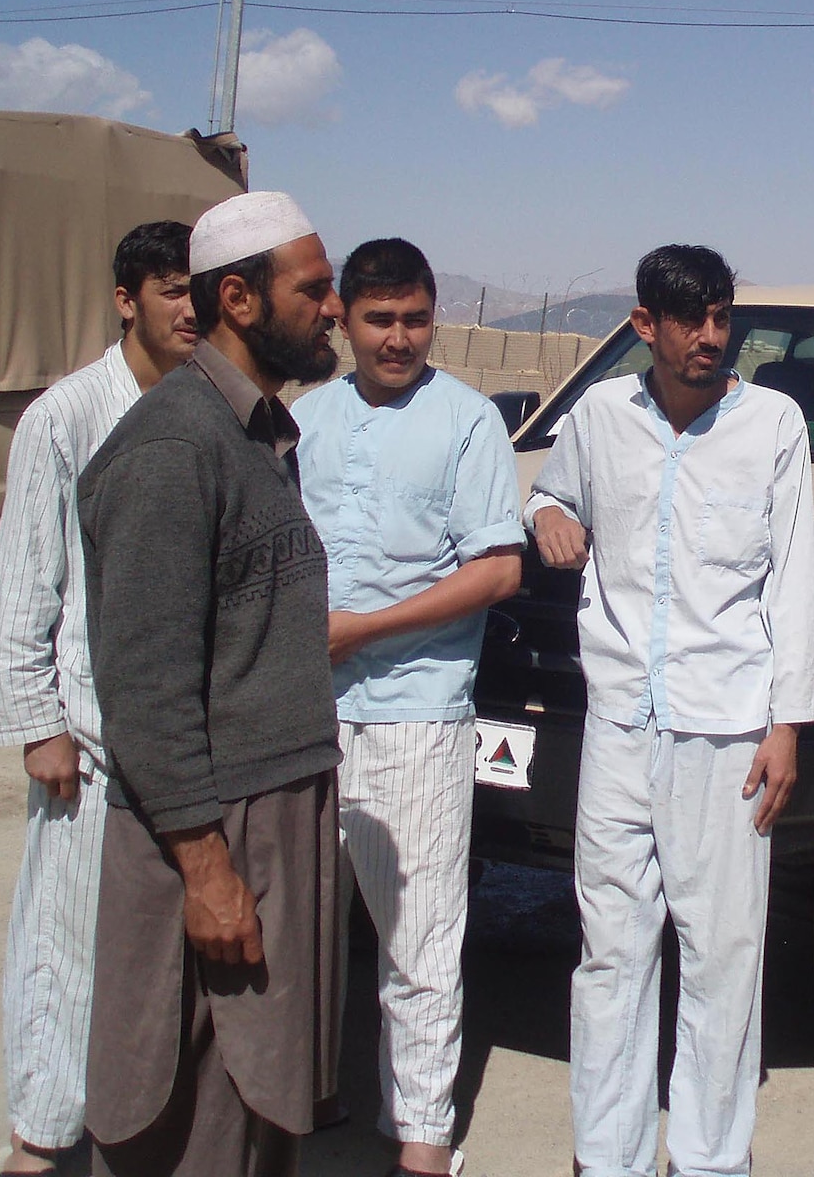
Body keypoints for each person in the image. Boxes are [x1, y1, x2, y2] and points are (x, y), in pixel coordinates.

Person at [528, 244, 814, 1177]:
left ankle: (708, 1157)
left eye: (720, 316)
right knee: (611, 953)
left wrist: (786, 725)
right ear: (643, 326)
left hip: (727, 728)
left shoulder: (772, 424)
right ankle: (607, 1156)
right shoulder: (599, 418)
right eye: (688, 319)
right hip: (620, 722)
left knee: (723, 954)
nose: (709, 336)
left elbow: (792, 579)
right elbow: (552, 488)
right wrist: (545, 510)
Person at [77, 191, 346, 1177]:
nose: (333, 308)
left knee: (258, 1108)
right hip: (213, 832)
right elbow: (143, 687)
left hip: (268, 818)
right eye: (313, 288)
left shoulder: (256, 434)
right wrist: (207, 866)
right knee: (188, 1112)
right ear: (238, 296)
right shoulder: (170, 449)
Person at [290, 238, 525, 1177]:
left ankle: (422, 1138)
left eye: (415, 320)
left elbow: (499, 569)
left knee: (420, 935)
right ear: (341, 317)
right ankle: (293, 1101)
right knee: (294, 930)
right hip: (301, 710)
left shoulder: (467, 422)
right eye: (378, 320)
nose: (398, 340)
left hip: (416, 713)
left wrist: (364, 631)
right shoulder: (304, 418)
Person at [0, 220, 197, 1177]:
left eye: (203, 290)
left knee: (156, 954)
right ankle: (40, 1135)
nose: (190, 309)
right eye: (170, 290)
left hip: (182, 740)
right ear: (127, 300)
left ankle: (140, 1121)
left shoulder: (207, 409)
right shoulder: (66, 416)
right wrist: (38, 724)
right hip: (87, 732)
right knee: (63, 943)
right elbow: (24, 579)